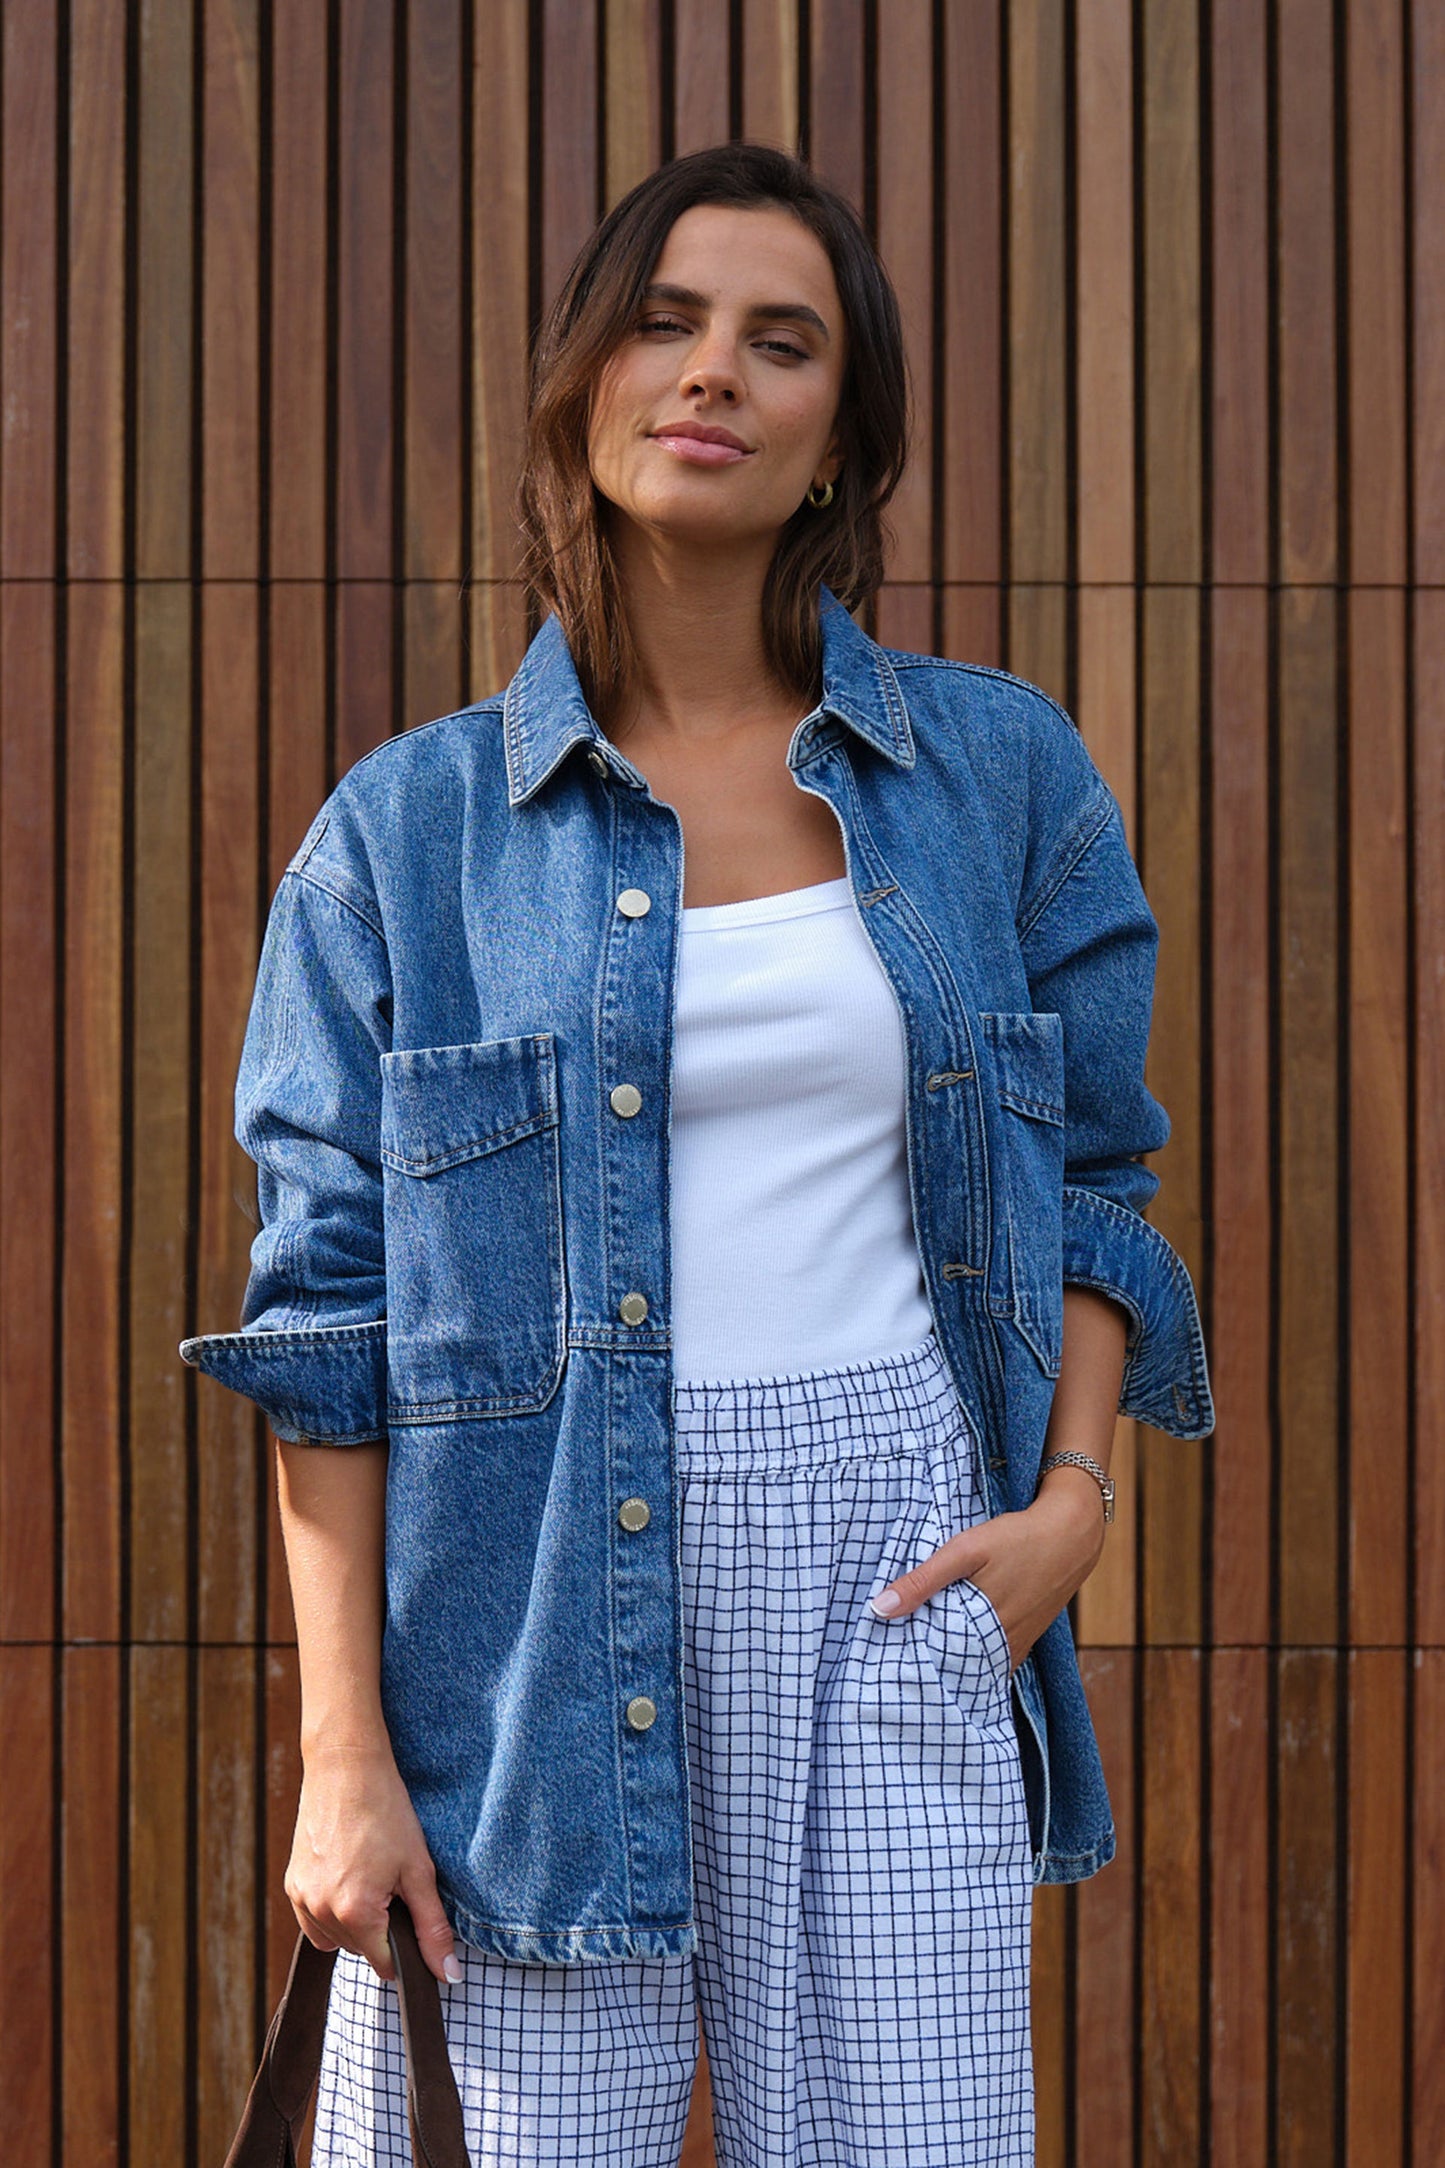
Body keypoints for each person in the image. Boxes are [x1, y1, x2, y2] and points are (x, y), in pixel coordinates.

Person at [183, 141, 1213, 2167]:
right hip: (528, 1628)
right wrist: (341, 1757)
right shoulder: (408, 841)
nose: (711, 371)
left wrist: (1076, 1500)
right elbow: (324, 1323)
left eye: (781, 338)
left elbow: (1099, 1167)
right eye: (664, 320)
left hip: (899, 1574)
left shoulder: (996, 776)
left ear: (842, 441)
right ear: (582, 383)